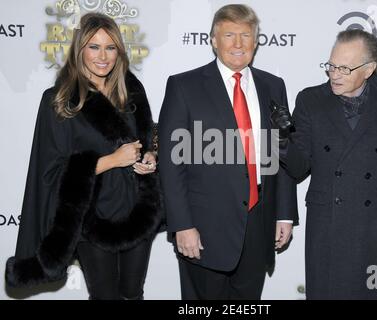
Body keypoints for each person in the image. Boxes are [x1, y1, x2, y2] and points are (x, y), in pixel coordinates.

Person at [5, 13, 163, 300]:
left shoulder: (132, 90)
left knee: (133, 293)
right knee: (105, 296)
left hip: (136, 209)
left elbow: (145, 140)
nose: (103, 56)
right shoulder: (59, 100)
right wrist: (113, 160)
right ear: (79, 50)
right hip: (92, 217)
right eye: (94, 47)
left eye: (110, 47)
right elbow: (51, 172)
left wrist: (150, 156)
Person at [158, 4, 298, 299]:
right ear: (213, 40)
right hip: (204, 226)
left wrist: (284, 213)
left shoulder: (273, 85)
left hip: (258, 222)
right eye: (229, 35)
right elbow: (172, 166)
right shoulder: (184, 86)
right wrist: (182, 224)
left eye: (246, 36)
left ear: (256, 41)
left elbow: (281, 153)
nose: (238, 44)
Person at [270, 29, 377, 299]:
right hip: (327, 227)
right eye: (330, 65)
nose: (334, 74)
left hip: (375, 229)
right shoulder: (310, 100)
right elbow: (299, 167)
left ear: (370, 69)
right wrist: (281, 140)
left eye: (344, 68)